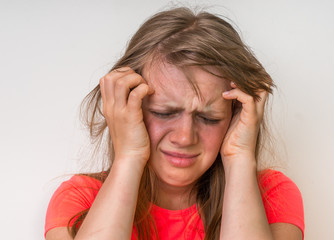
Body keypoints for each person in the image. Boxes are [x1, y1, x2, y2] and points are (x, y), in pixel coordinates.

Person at [45, 7, 304, 240]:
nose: (184, 137)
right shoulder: (80, 199)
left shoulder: (272, 195)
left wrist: (239, 157)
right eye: (164, 113)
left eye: (208, 118)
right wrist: (129, 156)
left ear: (235, 115)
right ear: (127, 107)